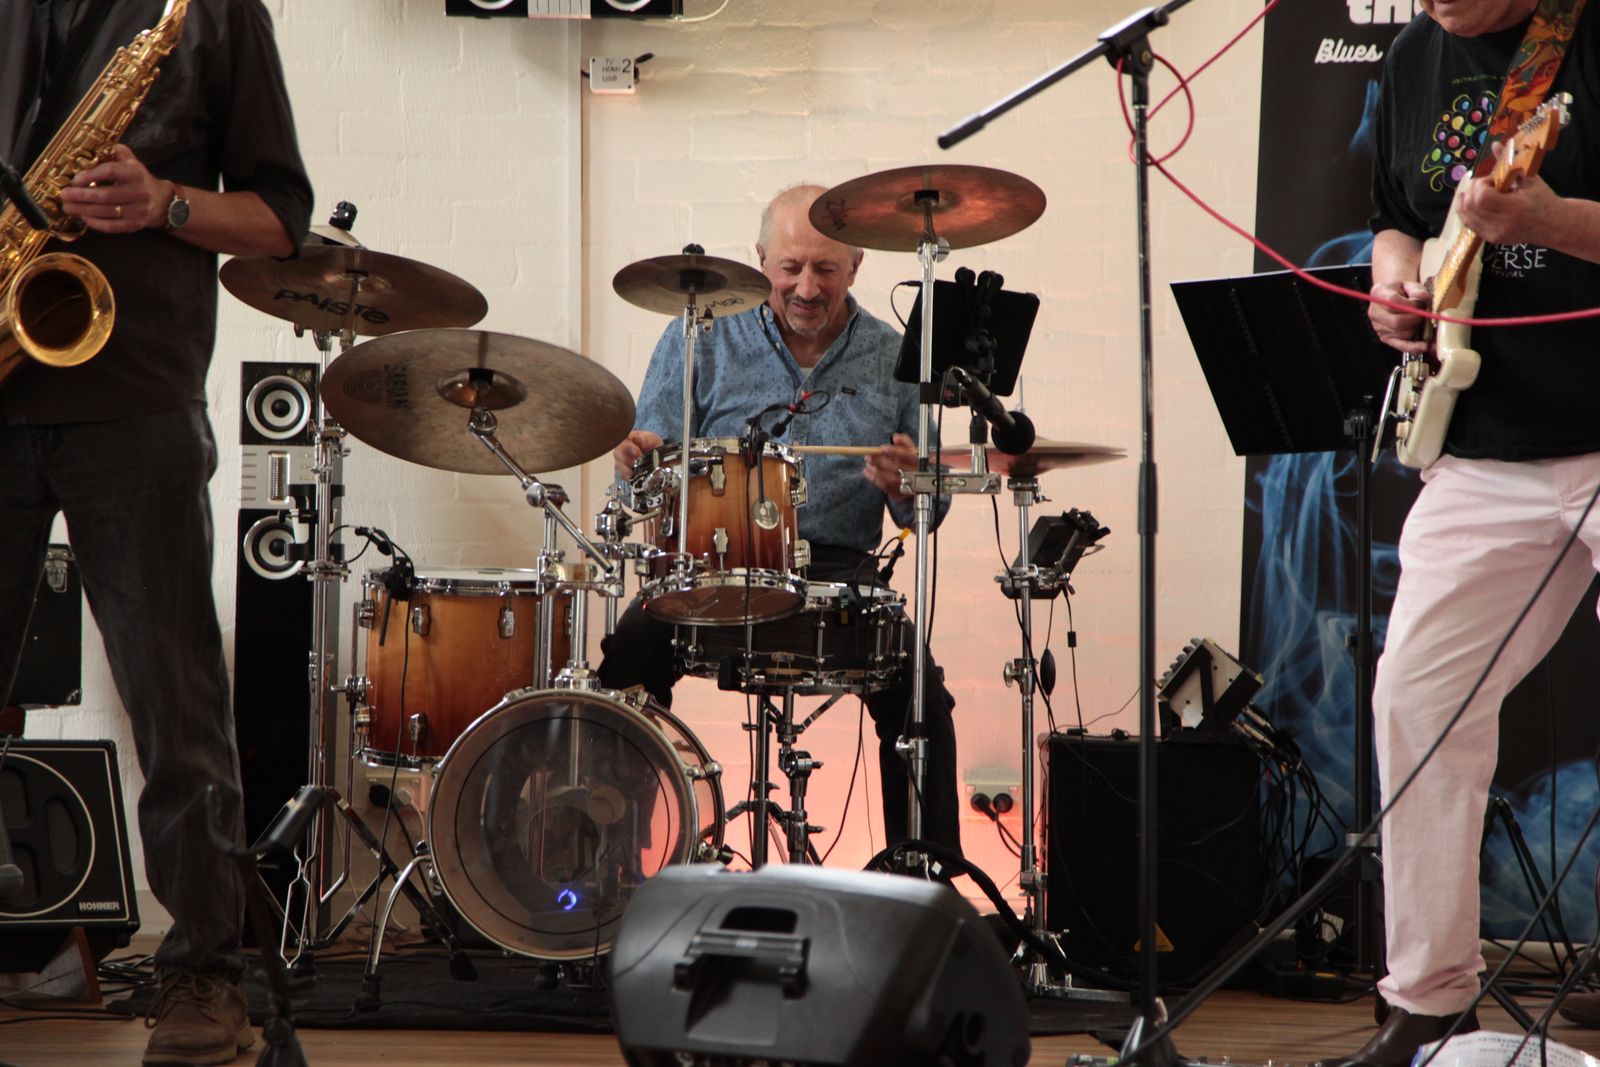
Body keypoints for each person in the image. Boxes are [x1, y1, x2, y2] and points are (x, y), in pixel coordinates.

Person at [0, 2, 311, 1064]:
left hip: (133, 400)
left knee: (177, 708)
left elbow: (281, 219)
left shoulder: (210, 13)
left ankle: (203, 973)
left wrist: (168, 202)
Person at [1320, 0, 1600, 1064]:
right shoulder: (1417, 52)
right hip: (1482, 438)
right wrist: (1393, 284)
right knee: (1417, 699)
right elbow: (1400, 212)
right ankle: (1430, 997)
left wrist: (1552, 223)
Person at [599, 183, 963, 856]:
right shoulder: (701, 334)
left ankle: (924, 883)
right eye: (791, 267)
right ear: (760, 258)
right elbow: (647, 480)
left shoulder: (895, 357)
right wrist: (635, 462)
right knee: (625, 670)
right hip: (714, 567)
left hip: (840, 574)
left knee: (923, 701)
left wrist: (909, 485)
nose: (807, 287)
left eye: (826, 269)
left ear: (857, 265)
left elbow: (929, 505)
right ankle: (615, 873)